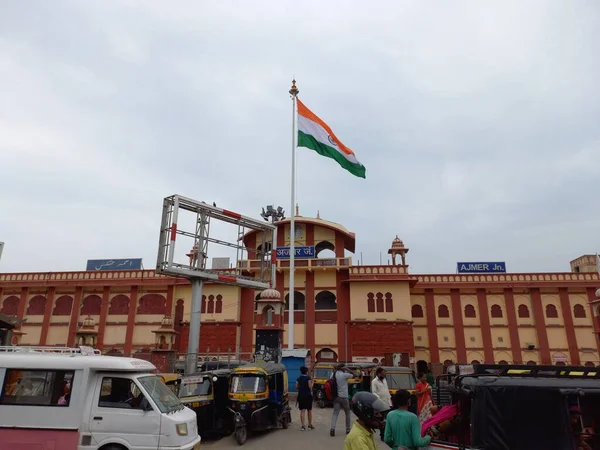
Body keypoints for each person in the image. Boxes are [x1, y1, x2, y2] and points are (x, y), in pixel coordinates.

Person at [330, 363, 359, 437]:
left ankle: (332, 428)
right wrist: (348, 369)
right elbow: (356, 375)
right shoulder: (345, 375)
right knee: (347, 412)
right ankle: (347, 429)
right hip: (344, 397)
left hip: (336, 397)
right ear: (343, 368)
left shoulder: (333, 374)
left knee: (335, 413)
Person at [295, 366, 314, 431]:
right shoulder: (308, 378)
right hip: (308, 396)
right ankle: (309, 425)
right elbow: (310, 386)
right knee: (309, 410)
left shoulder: (298, 378)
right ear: (306, 372)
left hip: (301, 396)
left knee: (302, 410)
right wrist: (312, 383)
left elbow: (296, 387)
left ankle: (303, 426)